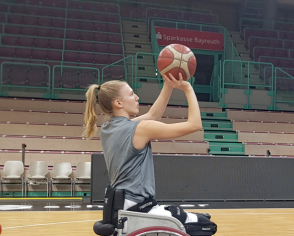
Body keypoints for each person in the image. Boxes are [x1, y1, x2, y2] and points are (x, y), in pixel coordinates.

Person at [83, 74, 204, 223]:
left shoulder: (108, 129)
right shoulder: (140, 129)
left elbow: (153, 115)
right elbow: (195, 124)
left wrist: (168, 85)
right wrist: (188, 88)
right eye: (131, 94)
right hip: (139, 207)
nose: (137, 97)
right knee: (203, 222)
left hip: (120, 204)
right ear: (119, 103)